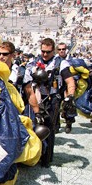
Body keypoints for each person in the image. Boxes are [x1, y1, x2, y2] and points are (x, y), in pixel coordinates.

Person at [22, 38, 62, 167]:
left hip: (52, 98)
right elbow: (27, 83)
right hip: (36, 96)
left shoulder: (61, 63)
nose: (45, 54)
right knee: (33, 126)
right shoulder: (32, 63)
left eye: (48, 52)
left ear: (53, 50)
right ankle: (33, 156)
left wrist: (70, 96)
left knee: (49, 129)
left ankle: (47, 159)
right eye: (43, 51)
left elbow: (69, 80)